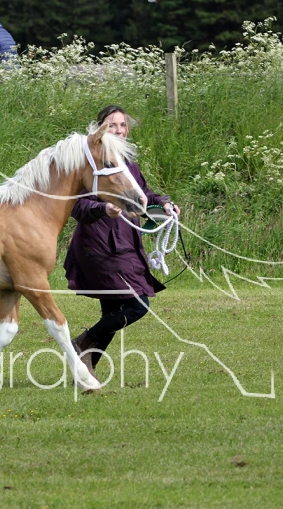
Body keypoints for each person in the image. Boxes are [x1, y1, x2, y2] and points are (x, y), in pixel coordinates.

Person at [64, 105, 181, 381]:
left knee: (114, 313)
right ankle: (82, 342)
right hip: (99, 247)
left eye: (122, 125)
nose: (118, 130)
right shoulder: (90, 164)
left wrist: (164, 205)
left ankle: (86, 367)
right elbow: (78, 207)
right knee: (137, 305)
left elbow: (143, 195)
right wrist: (103, 209)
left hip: (125, 245)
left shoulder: (128, 165)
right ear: (100, 129)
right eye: (112, 125)